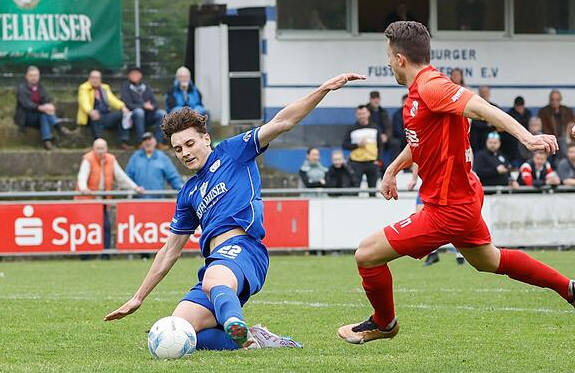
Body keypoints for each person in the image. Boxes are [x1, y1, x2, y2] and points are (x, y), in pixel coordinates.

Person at [338, 21, 569, 345]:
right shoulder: (421, 94)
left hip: (447, 207)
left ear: (400, 59)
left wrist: (527, 137)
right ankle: (568, 288)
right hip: (463, 197)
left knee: (366, 254)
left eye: (389, 56)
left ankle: (384, 322)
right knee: (488, 260)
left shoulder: (432, 86)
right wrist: (392, 169)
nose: (388, 62)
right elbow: (421, 139)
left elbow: (481, 107)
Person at [105, 71, 367, 350]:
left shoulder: (233, 151)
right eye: (178, 148)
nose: (184, 153)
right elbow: (170, 250)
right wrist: (138, 298)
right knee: (182, 327)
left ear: (206, 138)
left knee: (213, 278)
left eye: (190, 144)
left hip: (245, 250)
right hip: (216, 261)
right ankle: (255, 339)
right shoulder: (188, 193)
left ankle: (233, 319)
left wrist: (323, 88)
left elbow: (283, 121)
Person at [77, 139, 144, 254]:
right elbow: (82, 175)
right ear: (93, 149)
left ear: (106, 149)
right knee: (87, 228)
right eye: (98, 148)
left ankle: (106, 253)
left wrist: (134, 187)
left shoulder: (111, 159)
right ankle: (85, 254)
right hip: (88, 200)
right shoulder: (88, 159)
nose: (100, 151)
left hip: (102, 199)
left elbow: (121, 177)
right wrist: (83, 188)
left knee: (106, 226)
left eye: (102, 148)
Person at [15, 66, 68, 150]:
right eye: (31, 75)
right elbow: (26, 104)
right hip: (26, 116)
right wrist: (40, 107)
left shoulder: (41, 87)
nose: (34, 78)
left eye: (36, 75)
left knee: (44, 115)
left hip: (40, 115)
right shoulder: (21, 88)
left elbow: (47, 99)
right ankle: (59, 128)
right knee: (44, 113)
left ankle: (47, 141)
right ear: (26, 76)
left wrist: (50, 105)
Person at [77, 70, 132, 148]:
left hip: (105, 114)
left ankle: (123, 141)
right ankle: (98, 143)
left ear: (100, 79)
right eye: (93, 78)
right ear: (89, 79)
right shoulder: (84, 88)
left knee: (123, 115)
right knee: (95, 117)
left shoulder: (105, 88)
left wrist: (122, 107)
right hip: (91, 116)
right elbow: (84, 101)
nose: (95, 80)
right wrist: (90, 111)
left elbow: (112, 99)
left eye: (97, 78)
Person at [125, 132, 183, 199]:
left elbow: (173, 176)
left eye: (149, 139)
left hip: (158, 202)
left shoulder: (162, 157)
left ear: (155, 141)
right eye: (145, 140)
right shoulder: (136, 157)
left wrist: (181, 189)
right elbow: (127, 177)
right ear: (142, 144)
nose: (147, 142)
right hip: (138, 201)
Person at [120, 66, 166, 145]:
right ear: (128, 76)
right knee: (139, 112)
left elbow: (155, 102)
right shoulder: (125, 86)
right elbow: (127, 104)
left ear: (141, 75)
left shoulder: (145, 86)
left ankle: (158, 142)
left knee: (162, 114)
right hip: (133, 117)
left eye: (137, 74)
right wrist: (143, 106)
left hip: (148, 115)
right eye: (132, 74)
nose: (135, 75)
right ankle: (141, 142)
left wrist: (152, 107)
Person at [342, 105, 381, 187]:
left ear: (368, 114)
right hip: (356, 163)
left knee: (373, 189)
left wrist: (378, 160)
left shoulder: (375, 128)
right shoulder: (352, 129)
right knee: (355, 189)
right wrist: (358, 145)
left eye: (363, 113)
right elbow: (344, 145)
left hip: (372, 162)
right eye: (359, 114)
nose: (362, 116)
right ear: (356, 115)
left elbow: (380, 145)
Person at [500, 96, 530, 166]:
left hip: (524, 138)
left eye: (521, 106)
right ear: (515, 105)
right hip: (512, 139)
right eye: (518, 106)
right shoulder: (510, 114)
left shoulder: (528, 113)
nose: (520, 109)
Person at [366, 91, 397, 158]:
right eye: (374, 99)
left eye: (377, 98)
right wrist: (379, 136)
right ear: (370, 100)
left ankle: (394, 165)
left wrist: (386, 136)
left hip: (384, 136)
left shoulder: (383, 111)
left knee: (395, 143)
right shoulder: (366, 111)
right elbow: (368, 126)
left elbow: (389, 126)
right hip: (372, 136)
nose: (376, 101)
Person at [469, 86, 496, 152]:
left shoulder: (494, 107)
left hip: (491, 139)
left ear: (489, 93)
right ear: (479, 93)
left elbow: (498, 123)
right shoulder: (474, 106)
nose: (484, 94)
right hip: (478, 140)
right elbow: (475, 123)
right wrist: (488, 124)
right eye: (482, 92)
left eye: (486, 92)